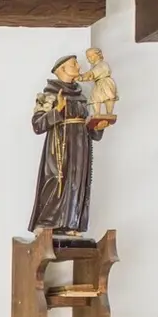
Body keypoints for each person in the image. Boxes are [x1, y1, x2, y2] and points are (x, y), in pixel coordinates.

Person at [28, 55, 103, 236]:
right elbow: (37, 125)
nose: (78, 66)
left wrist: (98, 126)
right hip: (59, 146)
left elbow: (89, 127)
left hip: (80, 146)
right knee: (56, 180)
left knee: (77, 183)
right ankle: (47, 223)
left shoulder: (82, 96)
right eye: (73, 64)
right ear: (61, 69)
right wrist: (57, 110)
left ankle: (71, 224)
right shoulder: (49, 94)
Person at [79, 47, 118, 123]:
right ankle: (97, 113)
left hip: (106, 83)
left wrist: (82, 77)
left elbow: (92, 73)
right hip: (98, 83)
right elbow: (91, 73)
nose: (88, 59)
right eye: (87, 57)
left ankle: (109, 113)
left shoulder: (103, 64)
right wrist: (82, 77)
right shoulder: (96, 66)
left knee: (109, 98)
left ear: (97, 55)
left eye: (90, 56)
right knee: (95, 97)